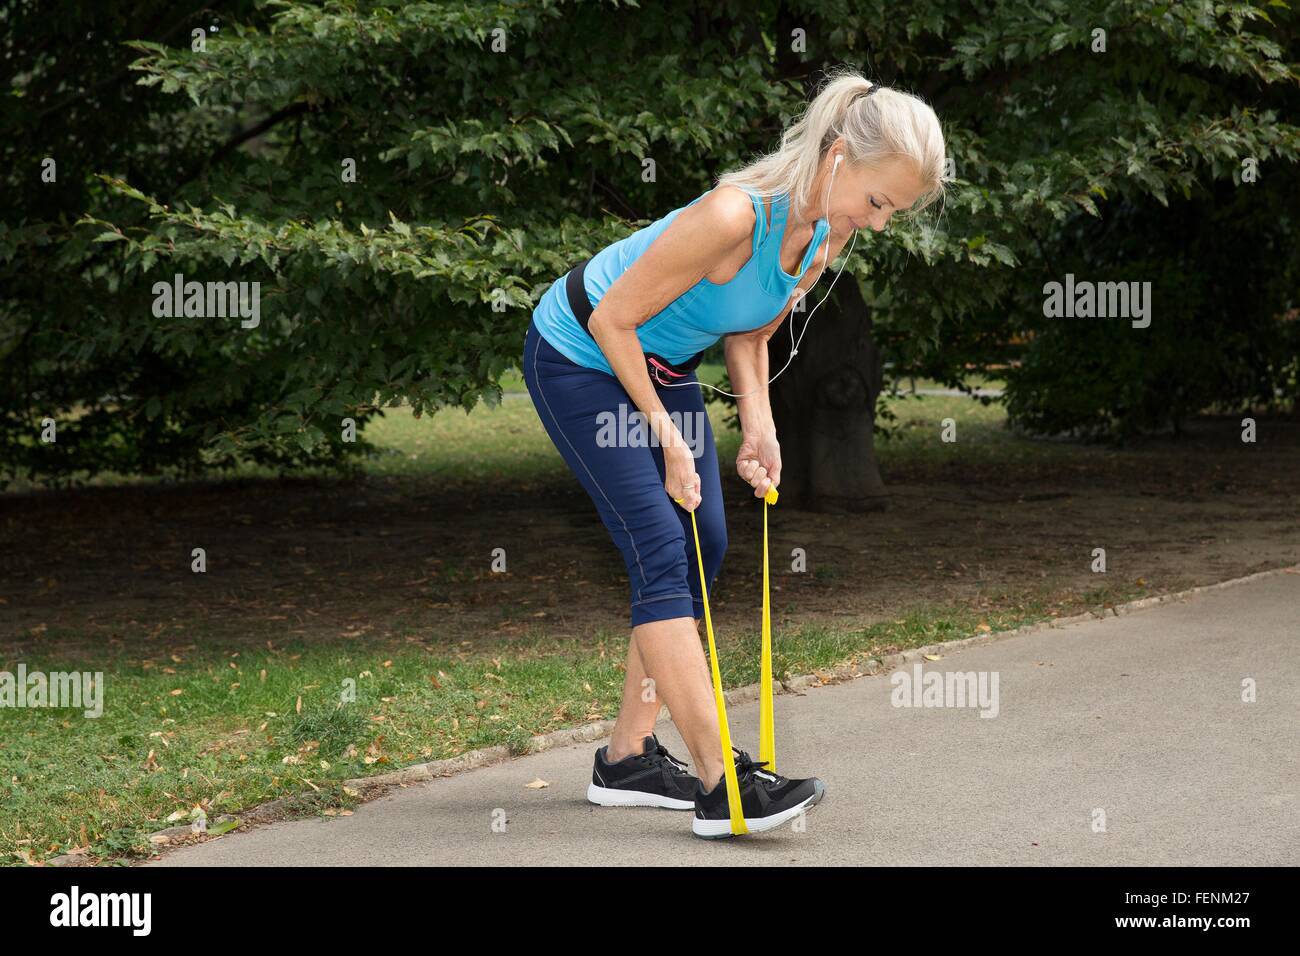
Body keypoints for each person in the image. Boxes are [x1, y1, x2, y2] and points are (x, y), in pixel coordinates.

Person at [522, 67, 946, 838]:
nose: (881, 224)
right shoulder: (731, 216)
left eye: (896, 212)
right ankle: (722, 787)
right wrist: (663, 437)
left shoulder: (826, 233)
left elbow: (749, 328)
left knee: (703, 540)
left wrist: (760, 424)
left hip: (661, 365)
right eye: (880, 202)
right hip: (580, 353)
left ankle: (626, 759)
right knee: (658, 541)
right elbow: (614, 321)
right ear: (840, 155)